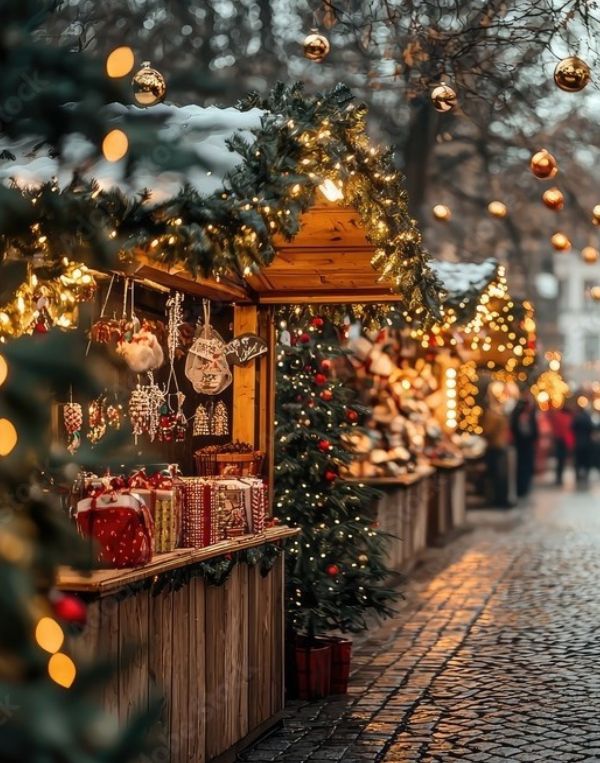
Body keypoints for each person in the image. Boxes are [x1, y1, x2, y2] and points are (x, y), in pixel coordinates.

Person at [482, 396, 512, 507]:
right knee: (498, 476)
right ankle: (498, 499)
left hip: (497, 447)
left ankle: (499, 499)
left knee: (499, 476)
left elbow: (488, 431)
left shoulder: (494, 415)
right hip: (496, 447)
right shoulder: (495, 415)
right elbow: (488, 431)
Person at [510, 389, 539, 498]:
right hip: (521, 445)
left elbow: (534, 431)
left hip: (527, 446)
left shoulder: (530, 416)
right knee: (522, 467)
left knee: (526, 467)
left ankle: (525, 487)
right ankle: (521, 488)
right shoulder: (520, 416)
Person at [548, 406, 574, 486]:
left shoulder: (557, 416)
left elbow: (553, 427)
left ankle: (558, 477)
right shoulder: (568, 418)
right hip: (564, 440)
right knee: (562, 460)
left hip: (558, 439)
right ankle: (559, 477)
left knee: (559, 459)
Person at [572, 403, 593, 486]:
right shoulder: (588, 418)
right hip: (587, 442)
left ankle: (578, 476)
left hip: (578, 441)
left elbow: (572, 427)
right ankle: (586, 475)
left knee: (578, 460)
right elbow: (591, 428)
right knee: (586, 460)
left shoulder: (577, 418)